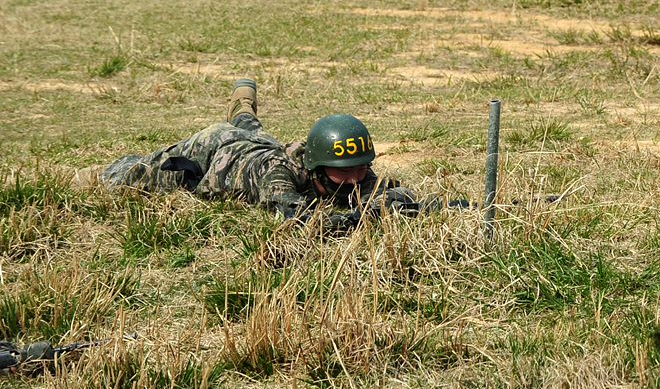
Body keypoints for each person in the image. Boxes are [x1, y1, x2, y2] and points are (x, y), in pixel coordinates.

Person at [88, 78, 437, 233]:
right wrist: (360, 217)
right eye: (342, 174)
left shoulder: (346, 166)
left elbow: (391, 192)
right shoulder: (277, 174)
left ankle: (243, 103)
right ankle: (94, 172)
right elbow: (299, 221)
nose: (353, 181)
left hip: (258, 144)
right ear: (315, 169)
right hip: (213, 153)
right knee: (127, 175)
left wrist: (400, 202)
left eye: (360, 170)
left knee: (250, 128)